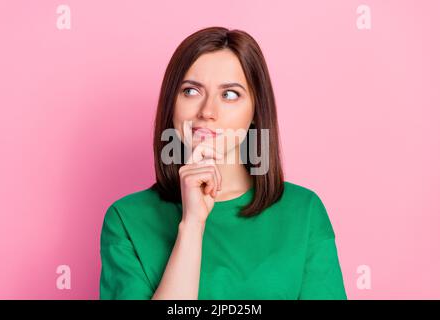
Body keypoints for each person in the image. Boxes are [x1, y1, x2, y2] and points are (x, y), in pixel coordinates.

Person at [99, 26, 347, 300]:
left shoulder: (304, 212)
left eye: (229, 94)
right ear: (172, 102)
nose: (207, 111)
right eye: (191, 91)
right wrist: (192, 225)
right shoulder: (126, 219)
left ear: (255, 110)